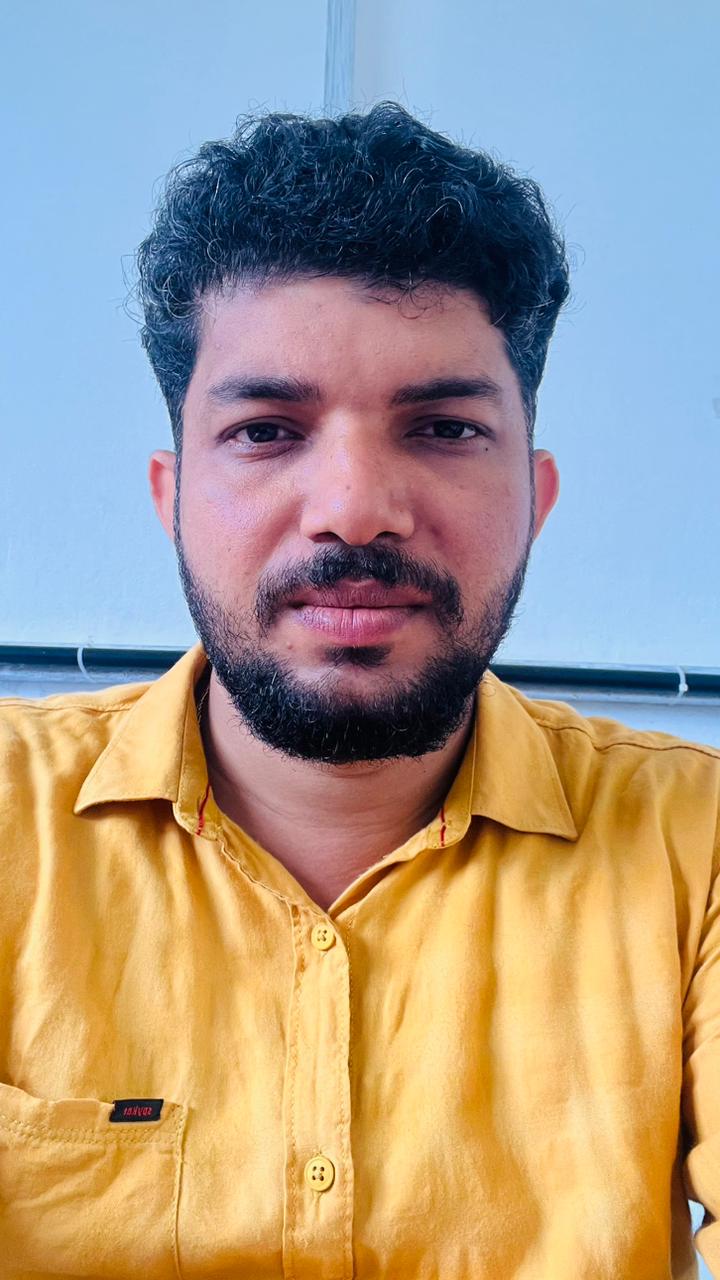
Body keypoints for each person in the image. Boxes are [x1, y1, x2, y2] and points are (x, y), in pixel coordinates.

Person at [0, 103, 717, 1280]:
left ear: (535, 497)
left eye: (442, 427)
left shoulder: (701, 841)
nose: (354, 509)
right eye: (267, 430)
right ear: (170, 495)